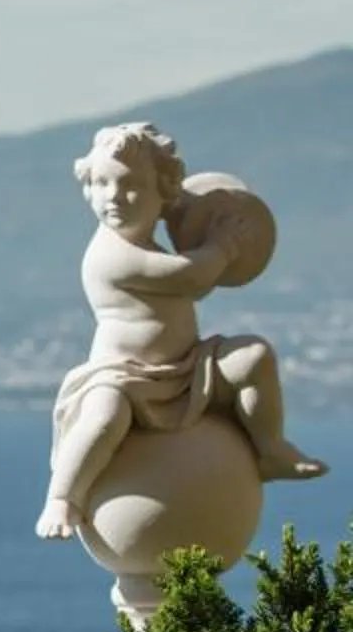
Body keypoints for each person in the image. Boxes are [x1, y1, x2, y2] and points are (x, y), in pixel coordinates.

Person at [36, 122, 324, 541]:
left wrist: (209, 231)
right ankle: (63, 496)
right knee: (103, 418)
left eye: (130, 185)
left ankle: (271, 448)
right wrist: (223, 246)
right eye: (100, 183)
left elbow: (199, 284)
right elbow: (189, 278)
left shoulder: (148, 243)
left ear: (165, 195)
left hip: (187, 365)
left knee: (254, 358)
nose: (113, 197)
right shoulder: (112, 255)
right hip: (123, 374)